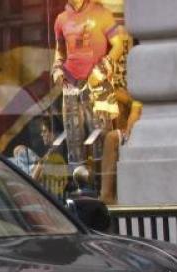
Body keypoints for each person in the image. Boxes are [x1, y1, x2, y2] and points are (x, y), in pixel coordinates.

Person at [52, 0, 126, 164]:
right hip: (71, 86)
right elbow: (60, 50)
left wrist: (101, 70)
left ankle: (103, 186)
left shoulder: (102, 13)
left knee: (101, 142)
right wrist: (57, 69)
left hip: (97, 87)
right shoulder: (61, 19)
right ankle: (79, 185)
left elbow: (118, 45)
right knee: (74, 144)